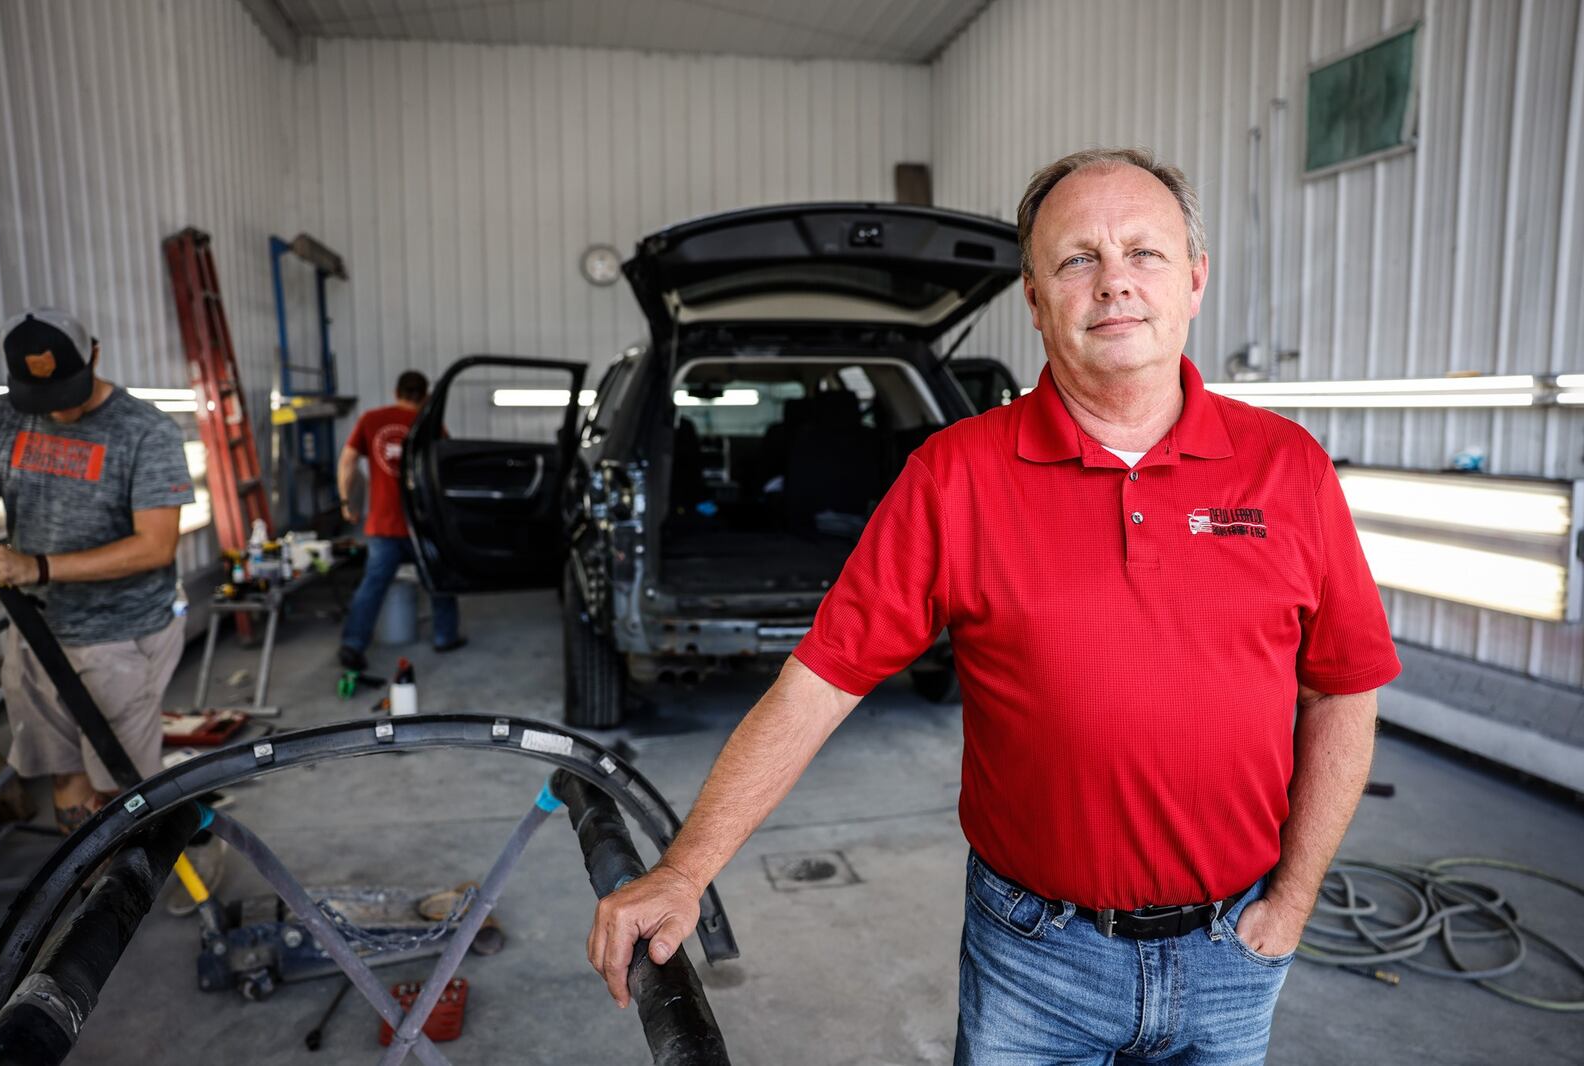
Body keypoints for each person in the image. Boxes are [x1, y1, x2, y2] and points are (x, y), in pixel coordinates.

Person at [585, 148, 1401, 1064]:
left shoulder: (1287, 466)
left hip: (1233, 951)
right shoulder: (955, 476)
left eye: (1144, 253)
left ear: (1196, 281)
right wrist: (686, 868)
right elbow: (820, 683)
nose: (1114, 284)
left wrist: (1291, 903)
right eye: (1077, 259)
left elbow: (1344, 688)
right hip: (1034, 960)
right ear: (1035, 296)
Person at [0, 309, 194, 833]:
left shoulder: (145, 430)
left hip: (118, 636)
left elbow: (157, 546)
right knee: (65, 779)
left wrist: (38, 567)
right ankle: (90, 906)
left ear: (94, 355)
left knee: (121, 793)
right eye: (41, 398)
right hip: (34, 631)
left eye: (66, 392)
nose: (55, 410)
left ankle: (156, 878)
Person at [337, 369, 463, 670]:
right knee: (439, 580)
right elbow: (444, 471)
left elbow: (348, 462)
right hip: (423, 525)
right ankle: (445, 636)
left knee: (373, 585)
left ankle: (353, 644)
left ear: (397, 392)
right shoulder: (431, 426)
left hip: (383, 523)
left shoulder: (371, 420)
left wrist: (346, 501)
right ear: (425, 396)